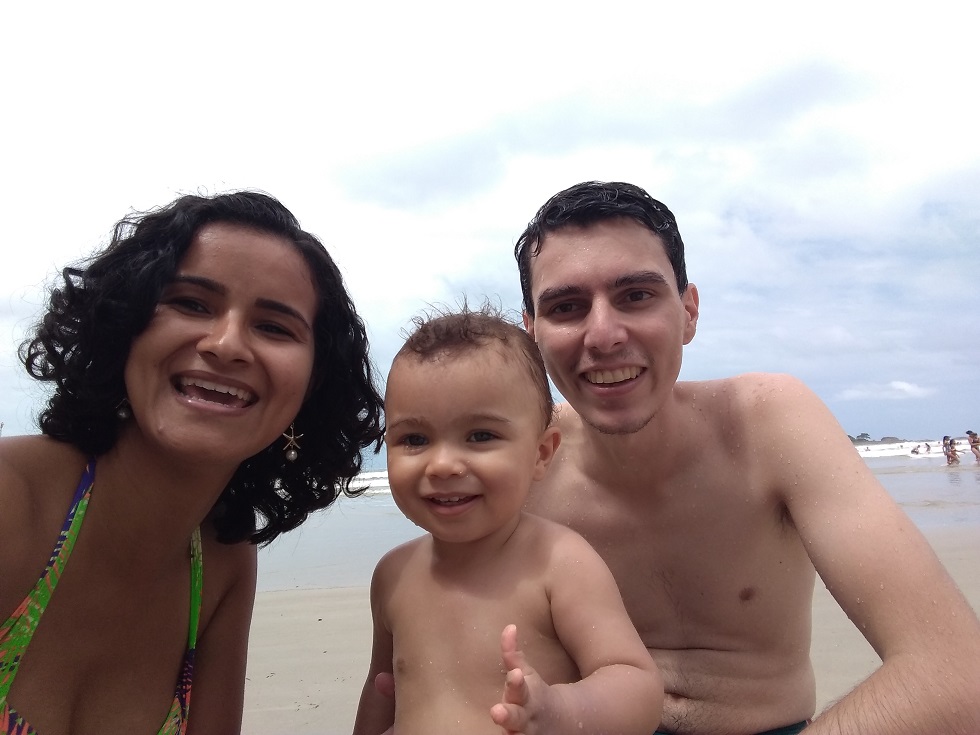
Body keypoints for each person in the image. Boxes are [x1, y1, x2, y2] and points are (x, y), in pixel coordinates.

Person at [511, 181, 980, 734]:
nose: (604, 335)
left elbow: (957, 674)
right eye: (566, 307)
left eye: (636, 295)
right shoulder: (522, 461)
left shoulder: (769, 424)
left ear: (688, 312)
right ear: (532, 332)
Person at [0, 192, 384, 734]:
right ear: (124, 325)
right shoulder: (11, 498)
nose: (226, 344)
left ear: (311, 385)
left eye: (275, 327)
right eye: (191, 303)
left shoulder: (223, 560)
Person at [353, 306, 663, 735]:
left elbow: (636, 684)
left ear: (541, 454)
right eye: (414, 439)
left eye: (480, 436)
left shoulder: (560, 563)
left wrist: (559, 710)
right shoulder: (393, 575)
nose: (442, 465)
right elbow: (381, 688)